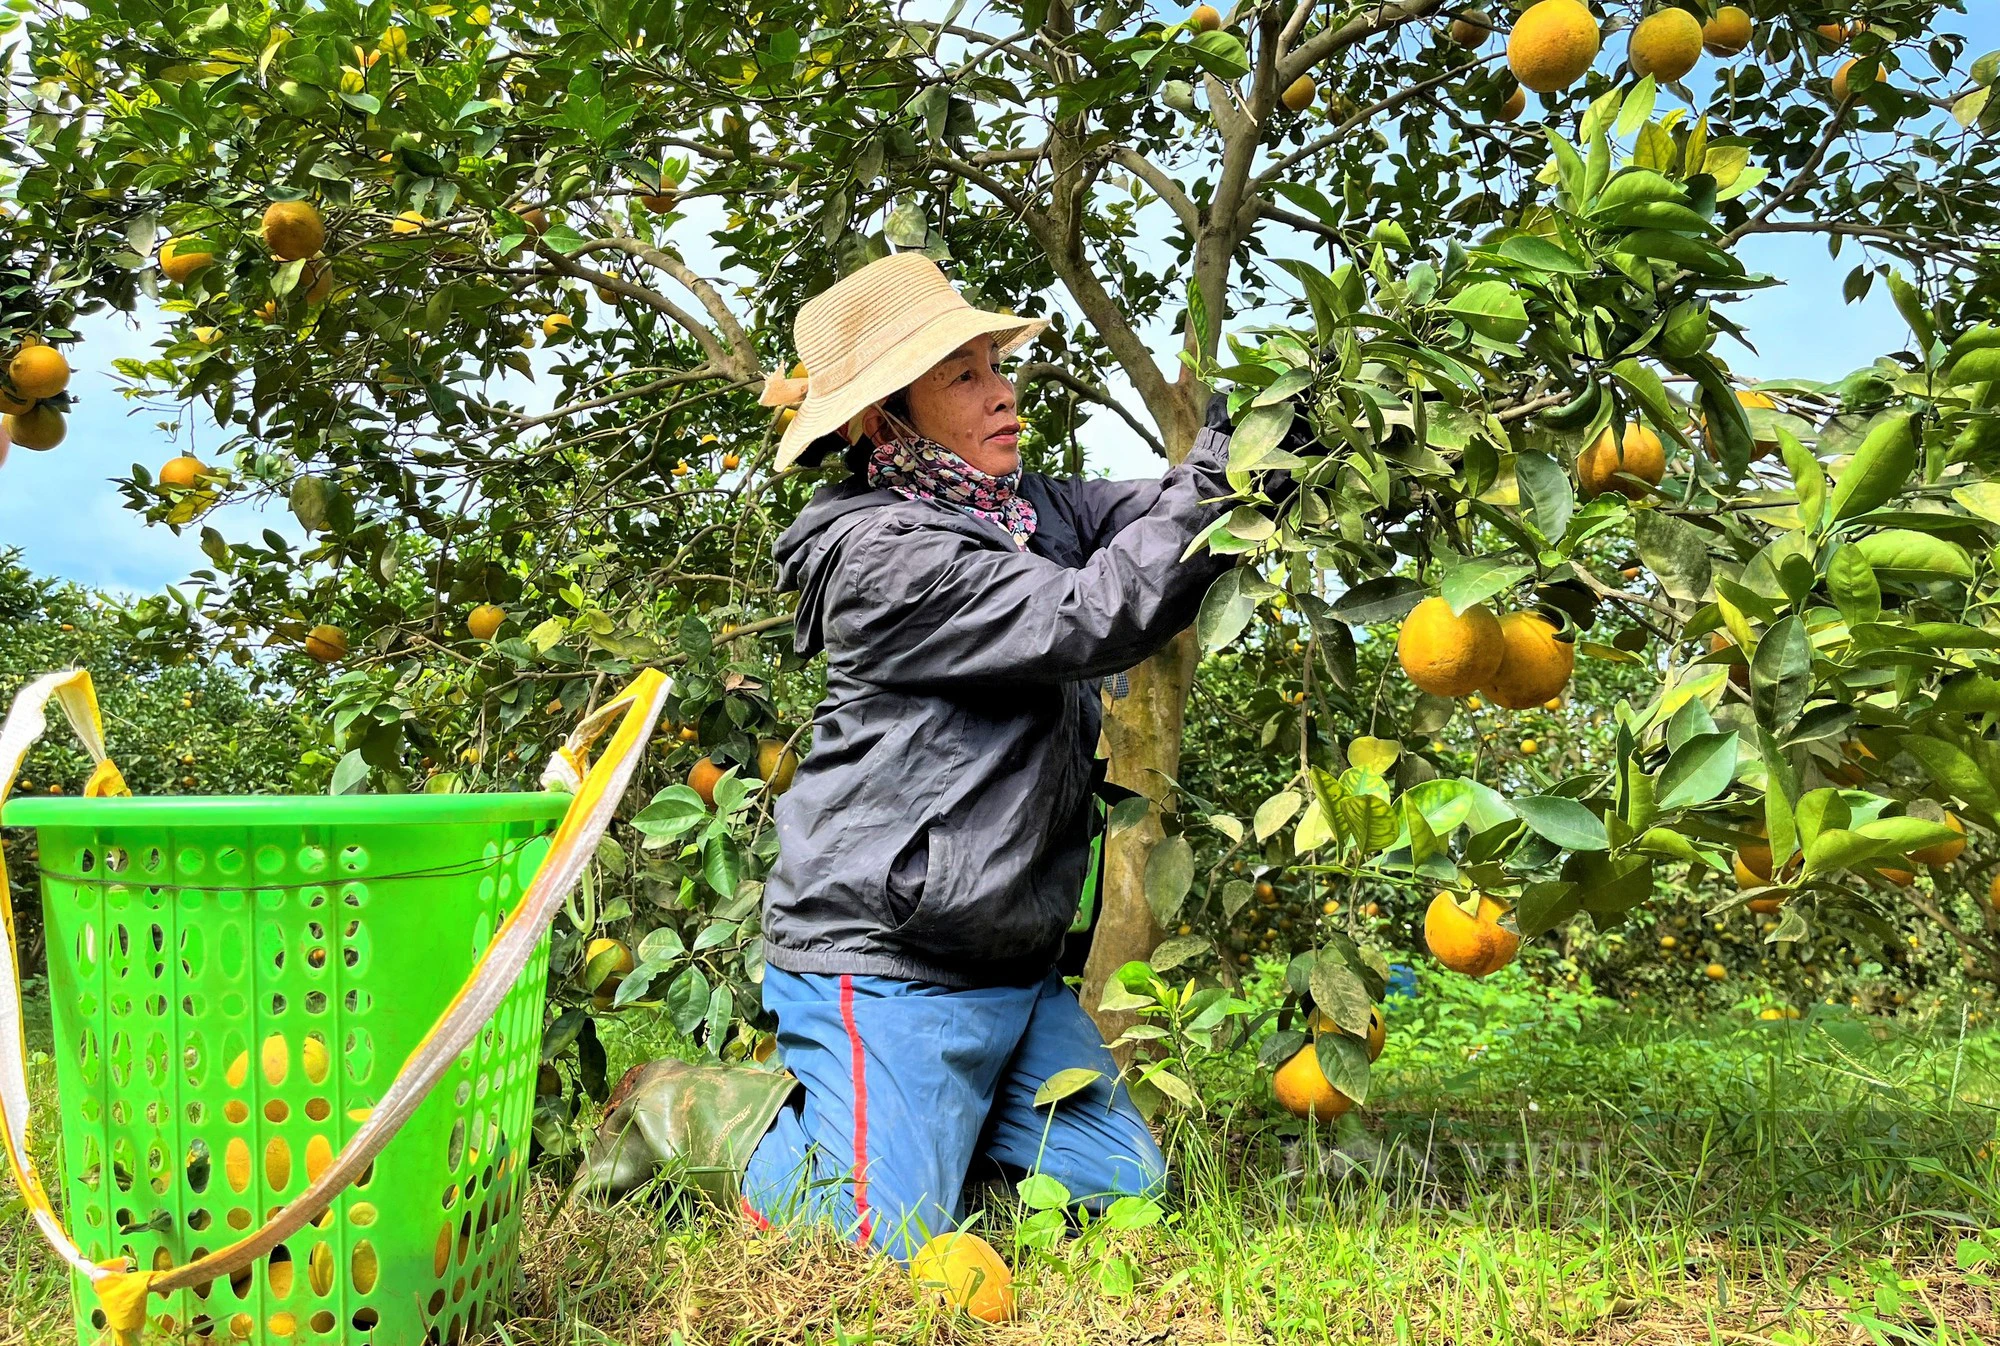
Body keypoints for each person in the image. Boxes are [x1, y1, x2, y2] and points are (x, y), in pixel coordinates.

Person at [581, 251, 1254, 1279]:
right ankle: (690, 1112)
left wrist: (1253, 447)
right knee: (874, 1249)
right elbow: (1095, 613)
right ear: (879, 420)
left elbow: (1167, 511)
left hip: (1010, 962)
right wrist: (1220, 478)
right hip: (889, 952)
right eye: (965, 375)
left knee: (1120, 1197)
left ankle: (924, 1137)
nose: (1004, 392)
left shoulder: (1023, 510)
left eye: (996, 364)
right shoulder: (881, 555)